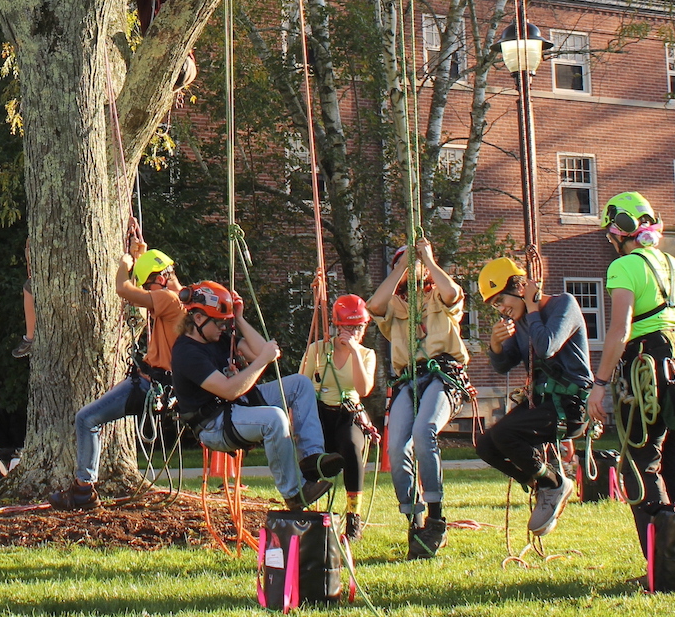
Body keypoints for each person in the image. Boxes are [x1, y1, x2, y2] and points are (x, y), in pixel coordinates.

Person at [585, 191, 675, 558]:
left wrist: (600, 385)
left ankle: (663, 561)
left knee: (641, 467)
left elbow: (620, 331)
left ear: (618, 231)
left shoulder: (624, 267)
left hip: (645, 368)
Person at [169, 281, 343, 511]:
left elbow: (265, 352)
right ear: (199, 319)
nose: (224, 328)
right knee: (275, 419)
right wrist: (261, 362)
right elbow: (229, 389)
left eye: (227, 323)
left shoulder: (217, 339)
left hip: (236, 407)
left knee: (300, 384)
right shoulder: (187, 353)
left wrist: (239, 319)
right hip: (215, 424)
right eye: (220, 322)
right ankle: (294, 493)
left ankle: (312, 459)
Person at [50, 243, 186, 510]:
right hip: (162, 386)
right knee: (89, 419)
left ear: (160, 279)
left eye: (150, 287)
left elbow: (124, 290)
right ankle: (82, 488)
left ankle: (83, 490)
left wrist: (124, 264)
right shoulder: (182, 299)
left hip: (149, 386)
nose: (149, 294)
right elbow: (141, 294)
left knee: (86, 418)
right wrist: (139, 257)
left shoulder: (169, 299)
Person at [477, 248, 591, 538]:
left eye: (501, 299)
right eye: (494, 305)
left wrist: (533, 308)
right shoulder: (526, 321)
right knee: (486, 445)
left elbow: (546, 346)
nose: (501, 309)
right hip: (542, 403)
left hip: (569, 405)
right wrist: (495, 345)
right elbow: (505, 365)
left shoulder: (564, 305)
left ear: (519, 287)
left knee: (504, 434)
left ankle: (552, 485)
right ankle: (546, 483)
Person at [368, 237, 468, 559]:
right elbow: (373, 306)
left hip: (443, 375)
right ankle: (414, 518)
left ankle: (437, 516)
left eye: (416, 268)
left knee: (424, 432)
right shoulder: (395, 308)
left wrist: (428, 258)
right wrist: (400, 267)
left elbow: (452, 293)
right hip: (410, 379)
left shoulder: (439, 294)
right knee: (396, 446)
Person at [299, 294, 379, 538]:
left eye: (359, 327)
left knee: (353, 449)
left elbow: (363, 389)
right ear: (337, 326)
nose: (354, 332)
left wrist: (354, 351)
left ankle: (353, 516)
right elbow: (301, 384)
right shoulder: (318, 350)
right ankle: (308, 504)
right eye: (349, 327)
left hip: (348, 412)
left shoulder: (366, 355)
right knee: (310, 452)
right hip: (321, 411)